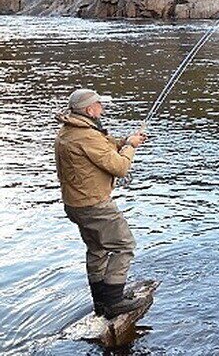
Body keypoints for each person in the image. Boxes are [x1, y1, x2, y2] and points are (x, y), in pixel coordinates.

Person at [55, 88, 149, 319]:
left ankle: (101, 301)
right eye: (99, 105)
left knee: (97, 249)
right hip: (94, 205)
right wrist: (131, 147)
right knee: (124, 245)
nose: (102, 108)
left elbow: (103, 145)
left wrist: (125, 140)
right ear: (89, 110)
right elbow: (120, 167)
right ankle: (114, 301)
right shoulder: (86, 136)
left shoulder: (71, 131)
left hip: (75, 204)